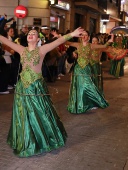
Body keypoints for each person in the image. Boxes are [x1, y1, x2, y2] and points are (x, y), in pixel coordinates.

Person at [0, 27, 84, 157]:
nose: (31, 35)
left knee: (40, 112)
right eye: (29, 34)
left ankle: (44, 138)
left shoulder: (42, 50)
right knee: (24, 114)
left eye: (34, 34)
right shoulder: (21, 49)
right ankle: (26, 140)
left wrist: (72, 34)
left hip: (36, 87)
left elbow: (58, 41)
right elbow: (5, 40)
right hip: (23, 87)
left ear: (38, 39)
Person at [66, 30, 113, 114]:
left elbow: (104, 46)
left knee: (88, 85)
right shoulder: (77, 45)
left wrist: (110, 40)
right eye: (82, 35)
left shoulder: (91, 46)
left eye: (86, 35)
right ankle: (80, 105)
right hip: (77, 69)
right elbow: (66, 42)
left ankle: (96, 101)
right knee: (78, 86)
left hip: (87, 68)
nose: (84, 37)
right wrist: (61, 36)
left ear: (88, 37)